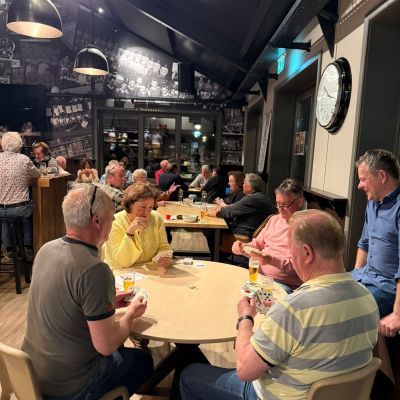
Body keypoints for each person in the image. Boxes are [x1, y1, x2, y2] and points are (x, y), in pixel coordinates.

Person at [180, 209, 379, 400]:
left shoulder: (294, 309)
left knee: (189, 375)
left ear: (307, 253)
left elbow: (245, 370)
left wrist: (245, 318)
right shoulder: (367, 298)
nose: (290, 257)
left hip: (277, 395)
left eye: (291, 250)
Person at [22, 184, 153, 399]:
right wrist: (131, 313)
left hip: (31, 374)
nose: (114, 219)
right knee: (143, 361)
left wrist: (106, 301)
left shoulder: (46, 249)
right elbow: (106, 346)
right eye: (111, 214)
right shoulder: (95, 270)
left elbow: (68, 301)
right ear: (97, 220)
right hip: (69, 386)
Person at [352, 149, 400, 337]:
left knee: (339, 310)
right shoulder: (372, 203)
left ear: (382, 176)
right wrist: (354, 277)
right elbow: (364, 243)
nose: (359, 185)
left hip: (386, 289)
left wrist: (397, 314)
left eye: (363, 179)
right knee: (320, 292)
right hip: (364, 277)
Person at [232, 178, 303, 292]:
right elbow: (257, 244)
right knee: (232, 289)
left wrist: (270, 260)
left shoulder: (304, 228)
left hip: (284, 284)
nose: (280, 209)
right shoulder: (273, 220)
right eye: (278, 204)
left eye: (285, 205)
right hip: (260, 277)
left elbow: (299, 267)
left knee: (252, 299)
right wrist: (242, 247)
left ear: (299, 202)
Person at [103, 183, 172, 269]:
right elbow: (123, 262)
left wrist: (163, 257)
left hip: (148, 272)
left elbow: (164, 246)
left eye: (150, 207)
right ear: (130, 204)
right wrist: (130, 232)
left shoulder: (156, 218)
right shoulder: (115, 222)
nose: (147, 212)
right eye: (143, 207)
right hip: (119, 272)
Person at [0, 132, 40, 259]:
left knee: (5, 216)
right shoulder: (24, 159)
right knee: (30, 208)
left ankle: (8, 248)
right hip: (19, 209)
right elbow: (37, 175)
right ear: (19, 145)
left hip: (0, 209)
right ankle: (28, 246)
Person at [207, 173, 275, 239]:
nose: (242, 185)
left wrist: (209, 213)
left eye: (244, 183)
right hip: (249, 233)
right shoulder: (262, 197)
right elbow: (233, 207)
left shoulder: (252, 199)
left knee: (210, 231)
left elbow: (229, 211)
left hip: (242, 236)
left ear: (249, 187)